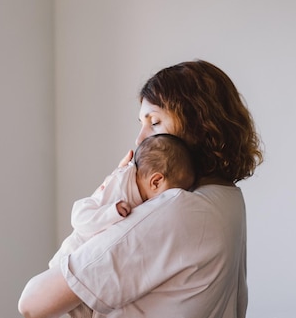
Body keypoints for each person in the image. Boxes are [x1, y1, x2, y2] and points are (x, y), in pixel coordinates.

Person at [18, 60, 263, 318]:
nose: (140, 139)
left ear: (198, 126)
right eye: (141, 123)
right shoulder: (227, 198)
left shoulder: (178, 209)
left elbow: (33, 302)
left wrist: (104, 200)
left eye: (154, 122)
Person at [49, 134, 196, 318]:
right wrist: (112, 212)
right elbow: (79, 215)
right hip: (70, 263)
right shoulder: (120, 187)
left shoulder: (139, 194)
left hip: (89, 275)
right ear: (156, 182)